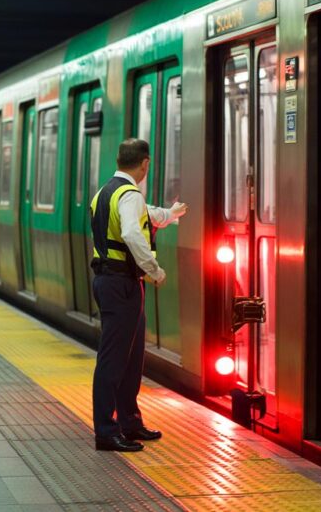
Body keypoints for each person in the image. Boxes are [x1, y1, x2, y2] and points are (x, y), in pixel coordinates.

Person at [89, 138, 186, 452]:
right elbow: (132, 231)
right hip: (121, 284)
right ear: (145, 164)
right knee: (114, 360)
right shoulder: (130, 194)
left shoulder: (107, 192)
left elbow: (146, 215)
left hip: (115, 283)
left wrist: (170, 214)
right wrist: (154, 269)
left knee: (130, 360)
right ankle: (106, 430)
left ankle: (129, 422)